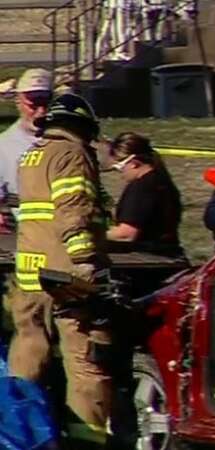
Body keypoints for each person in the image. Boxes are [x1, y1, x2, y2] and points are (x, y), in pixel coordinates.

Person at [7, 93, 113, 449]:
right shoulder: (72, 154)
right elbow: (74, 210)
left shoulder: (30, 156)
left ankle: (21, 435)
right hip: (66, 278)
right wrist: (86, 264)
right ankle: (86, 442)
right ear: (82, 126)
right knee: (86, 364)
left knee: (27, 356)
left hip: (29, 275)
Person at [106, 132, 183, 254]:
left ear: (134, 163)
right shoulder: (160, 181)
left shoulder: (142, 188)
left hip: (147, 260)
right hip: (168, 254)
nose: (119, 173)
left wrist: (90, 233)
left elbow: (126, 234)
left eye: (119, 167)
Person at [0, 68, 52, 197]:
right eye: (33, 104)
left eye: (45, 103)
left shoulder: (68, 139)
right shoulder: (3, 146)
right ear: (18, 101)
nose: (41, 112)